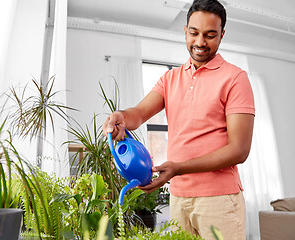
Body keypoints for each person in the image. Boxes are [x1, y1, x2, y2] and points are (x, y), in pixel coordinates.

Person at [103, 0, 255, 239]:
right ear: (185, 31)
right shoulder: (170, 78)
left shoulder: (235, 78)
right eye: (194, 33)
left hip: (219, 200)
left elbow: (239, 150)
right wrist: (121, 116)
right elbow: (139, 114)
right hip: (179, 198)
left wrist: (179, 168)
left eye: (210, 35)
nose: (200, 42)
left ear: (222, 35)